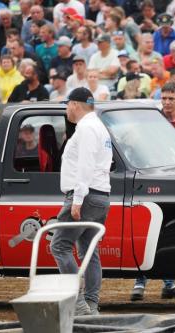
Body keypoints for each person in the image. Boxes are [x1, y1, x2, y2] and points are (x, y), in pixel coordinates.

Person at [130, 82, 175, 302]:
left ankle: (169, 283)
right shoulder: (150, 124)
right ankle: (140, 282)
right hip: (152, 184)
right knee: (145, 231)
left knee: (170, 234)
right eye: (164, 98)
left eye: (171, 98)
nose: (167, 102)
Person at [50, 87, 112, 317]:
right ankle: (91, 305)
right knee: (89, 251)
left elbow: (85, 165)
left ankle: (77, 304)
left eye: (67, 104)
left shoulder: (86, 128)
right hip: (100, 195)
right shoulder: (99, 127)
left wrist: (77, 199)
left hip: (84, 194)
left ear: (75, 104)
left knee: (59, 245)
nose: (66, 109)